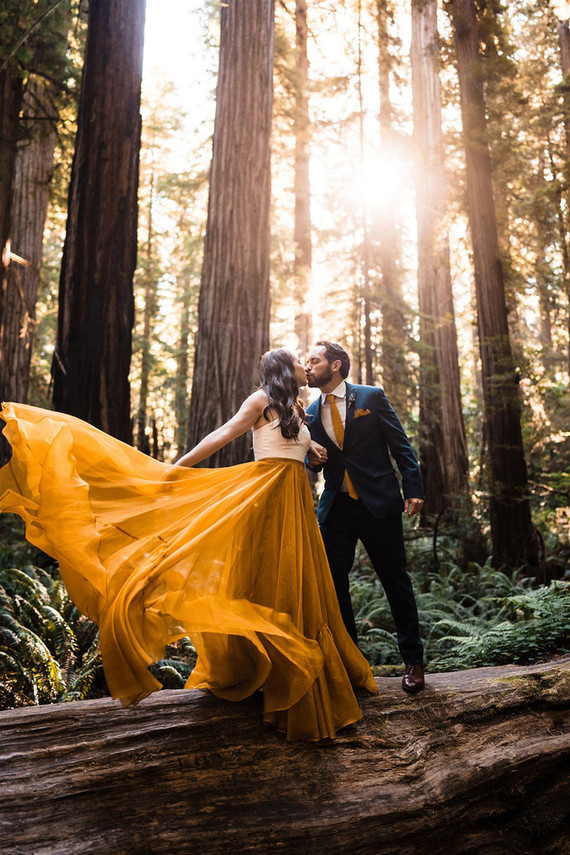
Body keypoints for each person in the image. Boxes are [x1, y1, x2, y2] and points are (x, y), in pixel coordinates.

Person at [0, 348, 376, 741]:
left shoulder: (296, 408)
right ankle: (265, 671)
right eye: (299, 361)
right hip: (265, 497)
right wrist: (178, 467)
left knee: (297, 584)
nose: (305, 365)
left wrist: (311, 448)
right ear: (285, 369)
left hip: (295, 501)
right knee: (263, 579)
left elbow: (292, 448)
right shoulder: (261, 399)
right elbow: (223, 434)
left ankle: (282, 671)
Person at [305, 340, 426, 693]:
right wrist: (310, 460)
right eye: (306, 361)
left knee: (395, 581)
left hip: (380, 505)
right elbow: (312, 459)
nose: (308, 366)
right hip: (336, 510)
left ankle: (414, 661)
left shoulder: (370, 397)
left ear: (337, 365)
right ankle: (352, 666)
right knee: (335, 588)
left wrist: (414, 488)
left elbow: (400, 445)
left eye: (315, 360)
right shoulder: (310, 413)